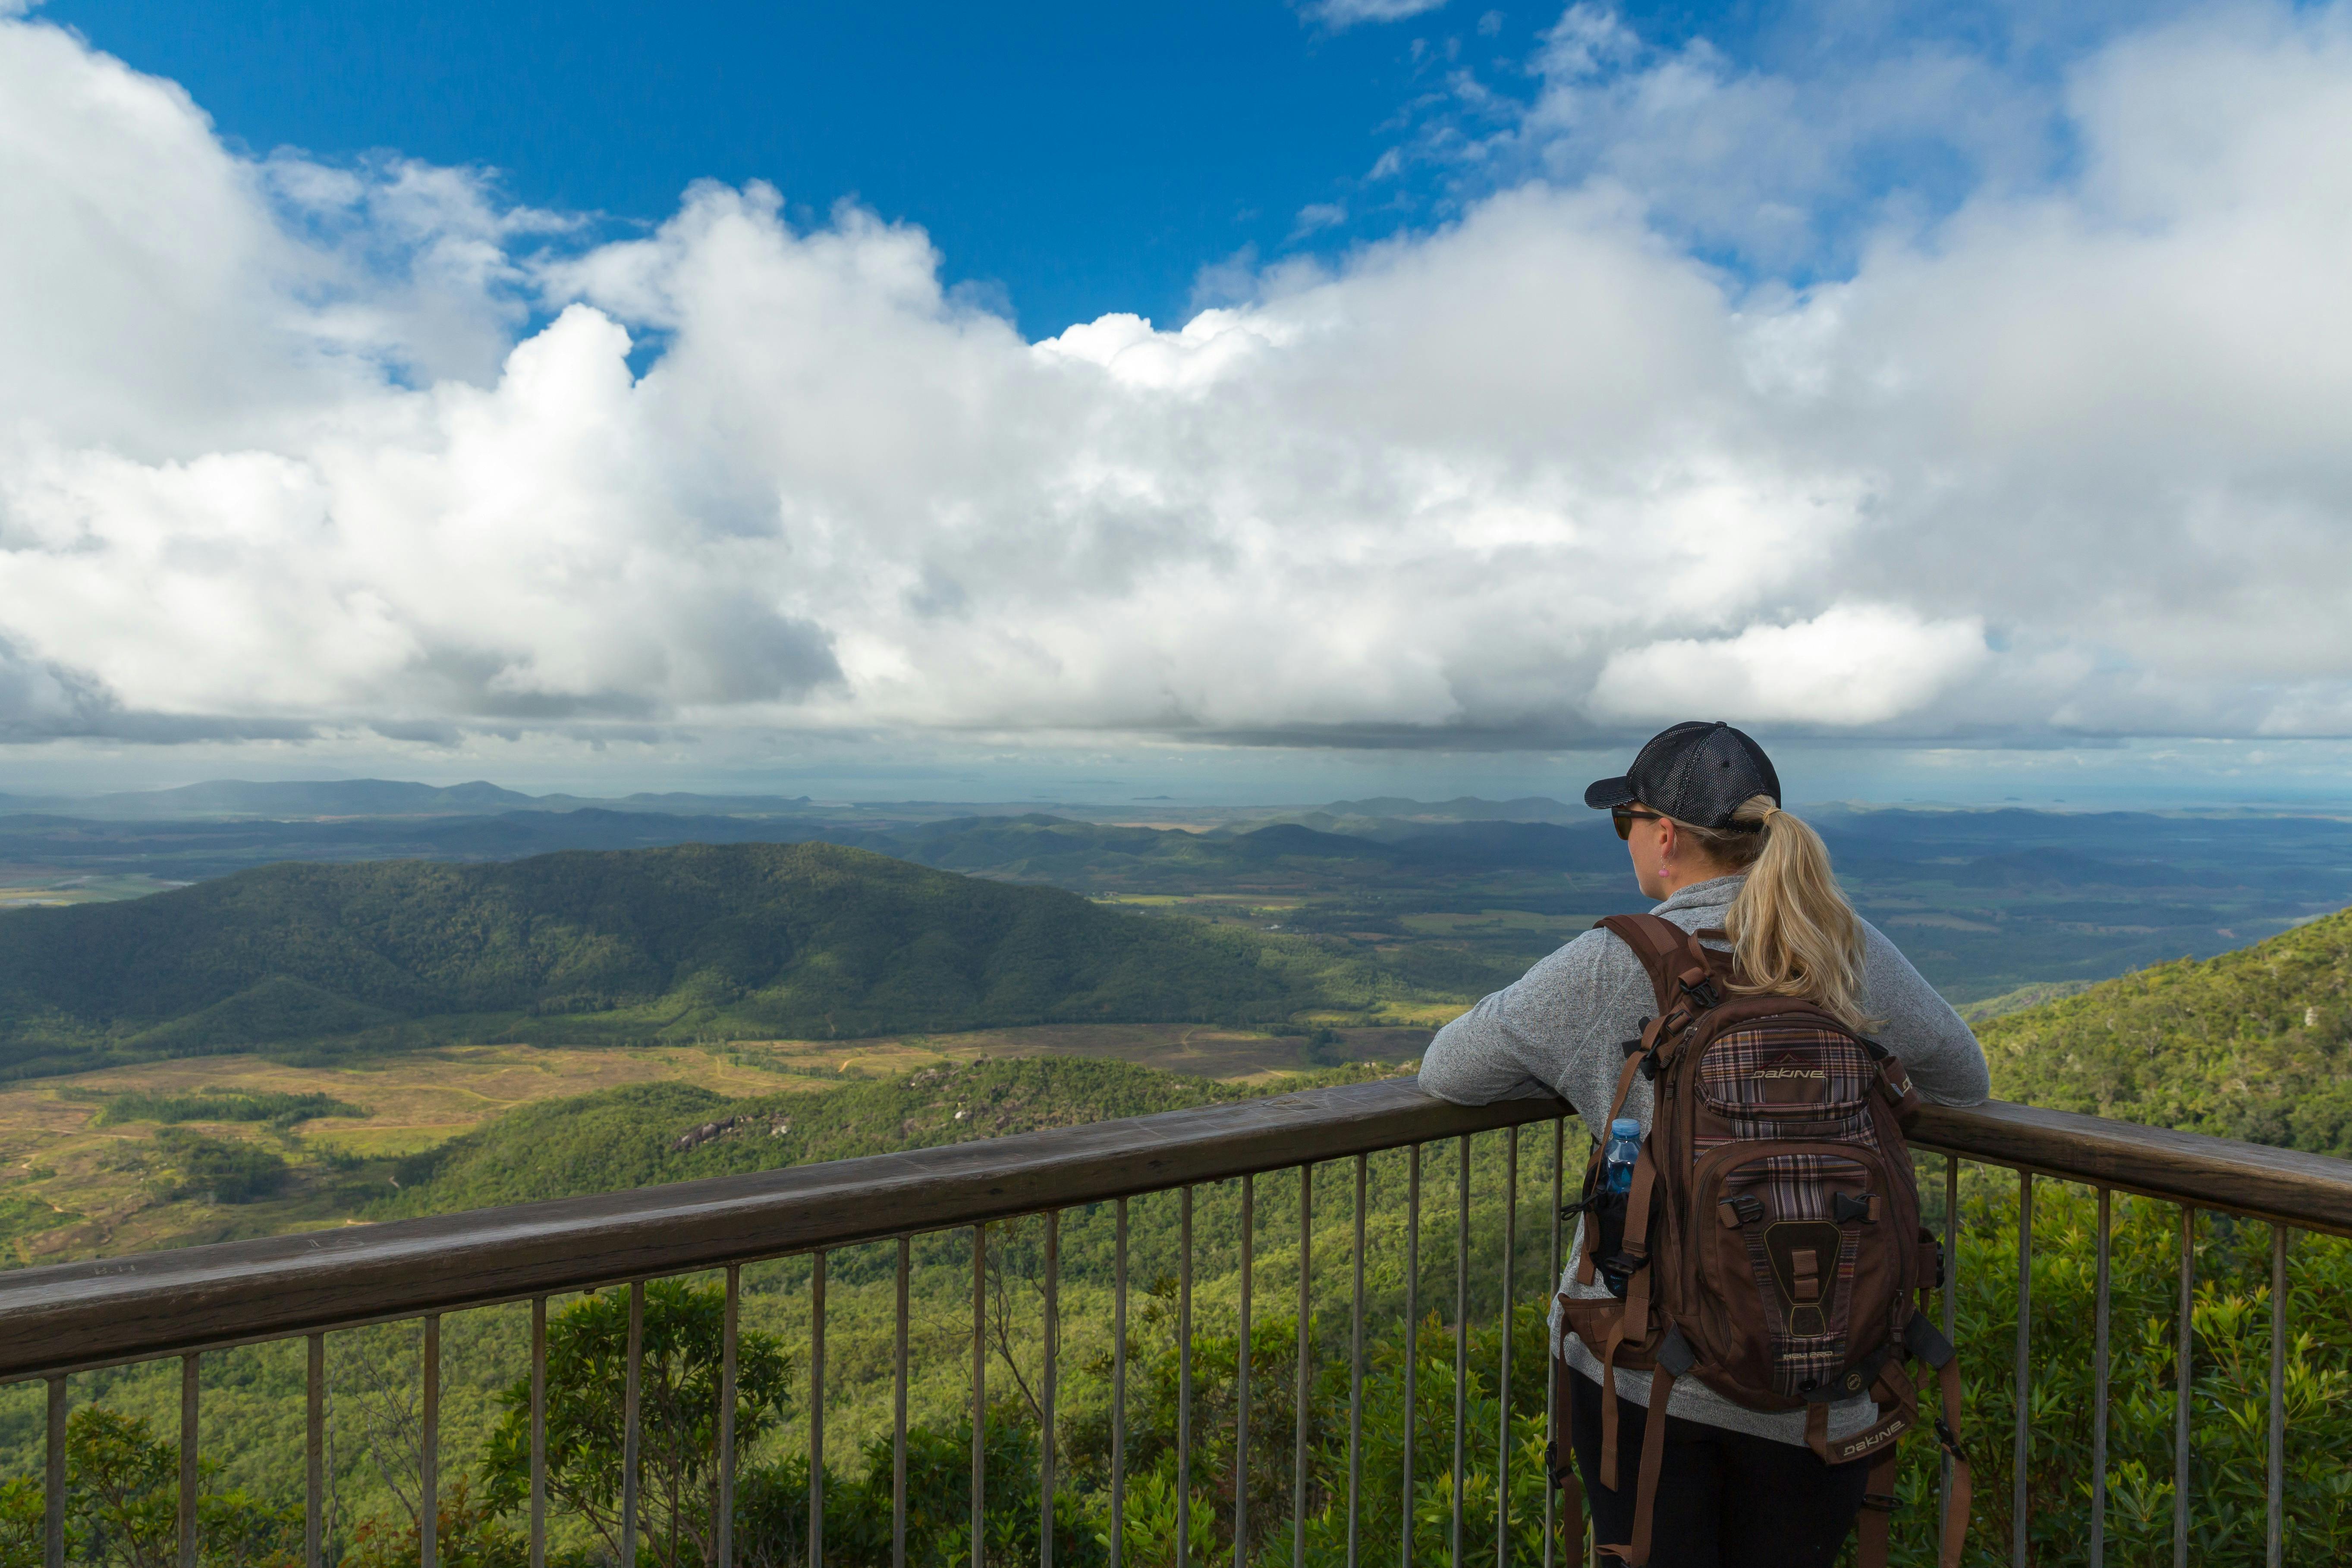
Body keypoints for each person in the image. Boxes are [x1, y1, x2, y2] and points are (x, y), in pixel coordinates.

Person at [1418, 721, 1989, 1568]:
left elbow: (1450, 1071)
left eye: (1625, 826)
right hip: (1825, 1373)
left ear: (1661, 837)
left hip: (1648, 1377)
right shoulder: (1840, 946)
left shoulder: (1618, 959)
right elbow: (1961, 1078)